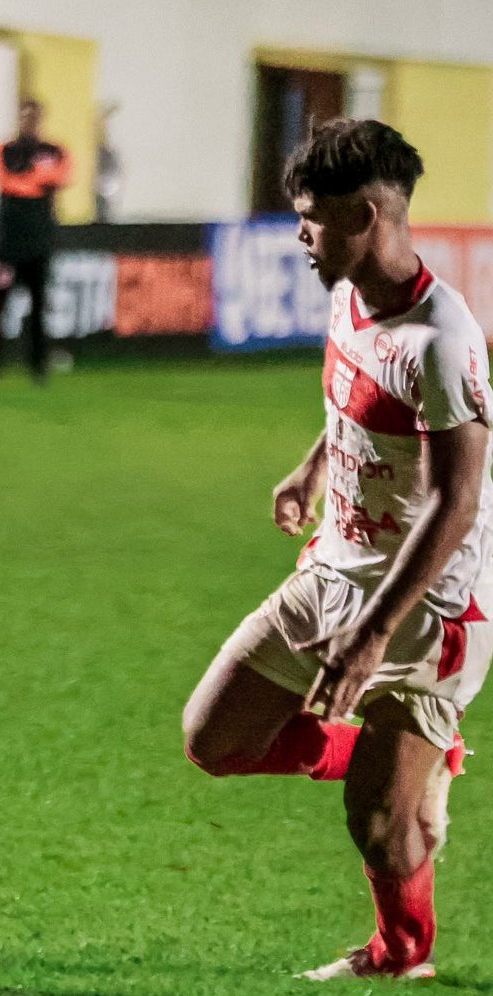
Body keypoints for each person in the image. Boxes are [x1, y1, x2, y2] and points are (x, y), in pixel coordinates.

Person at [182, 119, 493, 980]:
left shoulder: (443, 342)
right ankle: (412, 764)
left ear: (366, 215)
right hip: (332, 572)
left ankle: (402, 955)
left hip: (429, 610)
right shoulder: (349, 291)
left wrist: (372, 636)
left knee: (381, 829)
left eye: (312, 219)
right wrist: (315, 465)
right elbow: (358, 397)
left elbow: (453, 504)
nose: (300, 237)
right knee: (214, 737)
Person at [0, 98, 69, 381]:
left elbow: (62, 175)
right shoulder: (4, 150)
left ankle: (38, 367)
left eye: (33, 116)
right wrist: (36, 181)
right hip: (9, 242)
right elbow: (4, 178)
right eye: (24, 115)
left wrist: (26, 181)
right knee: (0, 306)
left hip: (39, 242)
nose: (28, 121)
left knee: (38, 307)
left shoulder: (55, 151)